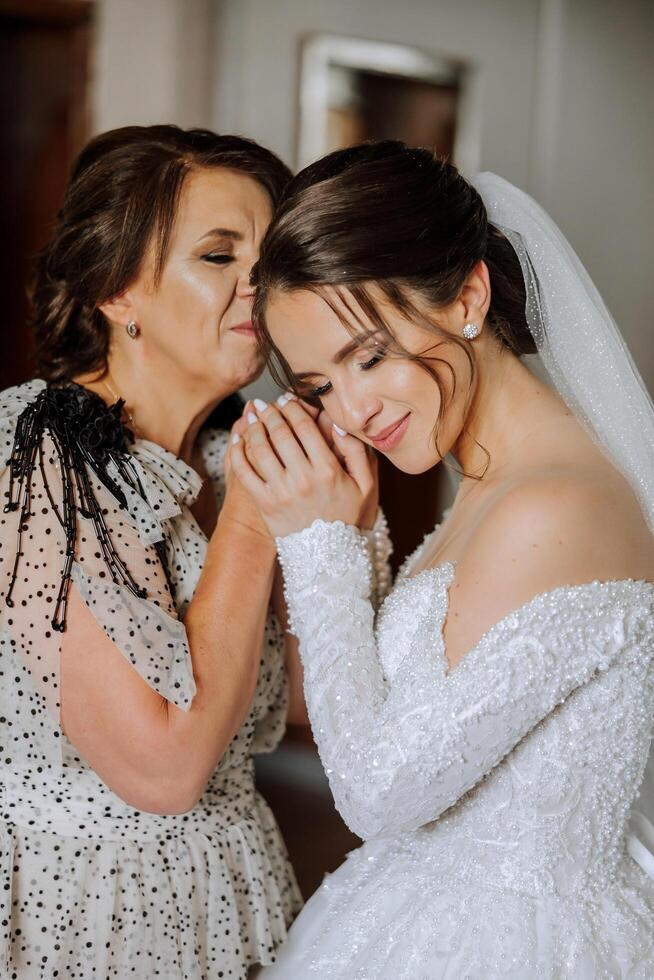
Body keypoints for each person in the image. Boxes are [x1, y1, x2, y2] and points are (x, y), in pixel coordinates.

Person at [229, 142, 654, 978]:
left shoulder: (552, 506)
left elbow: (379, 794)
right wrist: (351, 535)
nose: (352, 411)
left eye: (370, 355)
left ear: (467, 296)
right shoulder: (499, 484)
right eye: (318, 387)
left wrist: (321, 551)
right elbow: (417, 713)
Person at [0, 124, 309, 980]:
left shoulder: (219, 456)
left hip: (235, 904)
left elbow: (306, 706)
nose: (258, 285)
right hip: (88, 917)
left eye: (271, 256)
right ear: (118, 291)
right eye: (218, 256)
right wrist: (255, 513)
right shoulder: (37, 455)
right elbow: (165, 767)